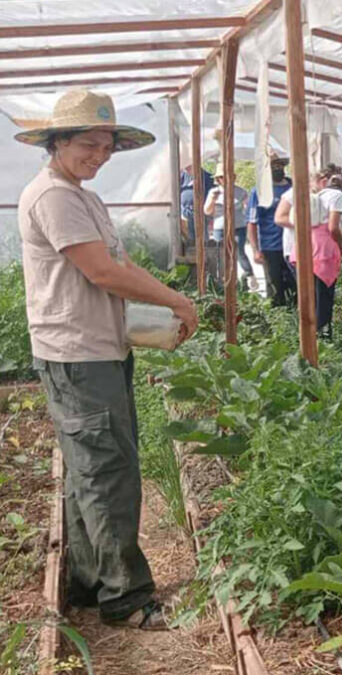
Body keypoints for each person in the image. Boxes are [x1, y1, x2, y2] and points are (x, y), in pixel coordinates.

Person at [16, 89, 198, 630]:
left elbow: (110, 268)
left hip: (95, 350)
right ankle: (129, 598)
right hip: (78, 356)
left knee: (90, 469)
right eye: (89, 144)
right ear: (58, 142)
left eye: (109, 146)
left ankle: (90, 582)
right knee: (107, 472)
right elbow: (104, 271)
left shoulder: (79, 193)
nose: (100, 155)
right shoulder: (54, 196)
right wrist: (175, 298)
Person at [275, 164, 342, 338]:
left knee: (309, 296)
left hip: (303, 248)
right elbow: (333, 227)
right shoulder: (334, 196)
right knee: (322, 297)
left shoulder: (316, 197)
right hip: (320, 250)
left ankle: (309, 335)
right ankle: (321, 336)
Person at [247, 153, 295, 306]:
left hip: (293, 245)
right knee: (275, 287)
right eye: (273, 166)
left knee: (296, 285)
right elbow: (252, 223)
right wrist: (255, 250)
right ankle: (278, 318)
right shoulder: (260, 192)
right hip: (270, 246)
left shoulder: (293, 187)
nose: (278, 169)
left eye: (280, 166)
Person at [203, 162, 255, 290]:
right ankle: (225, 280)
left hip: (238, 226)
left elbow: (248, 208)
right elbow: (207, 211)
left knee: (239, 252)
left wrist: (246, 208)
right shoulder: (213, 192)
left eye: (227, 176)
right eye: (221, 177)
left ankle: (249, 276)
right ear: (217, 179)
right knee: (220, 253)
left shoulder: (240, 191)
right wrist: (213, 200)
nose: (224, 179)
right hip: (220, 227)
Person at [179, 161, 212, 249]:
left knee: (200, 238)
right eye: (186, 167)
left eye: (189, 166)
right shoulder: (183, 176)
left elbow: (210, 195)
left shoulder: (207, 177)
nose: (187, 169)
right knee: (186, 238)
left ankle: (202, 254)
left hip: (199, 213)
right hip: (183, 212)